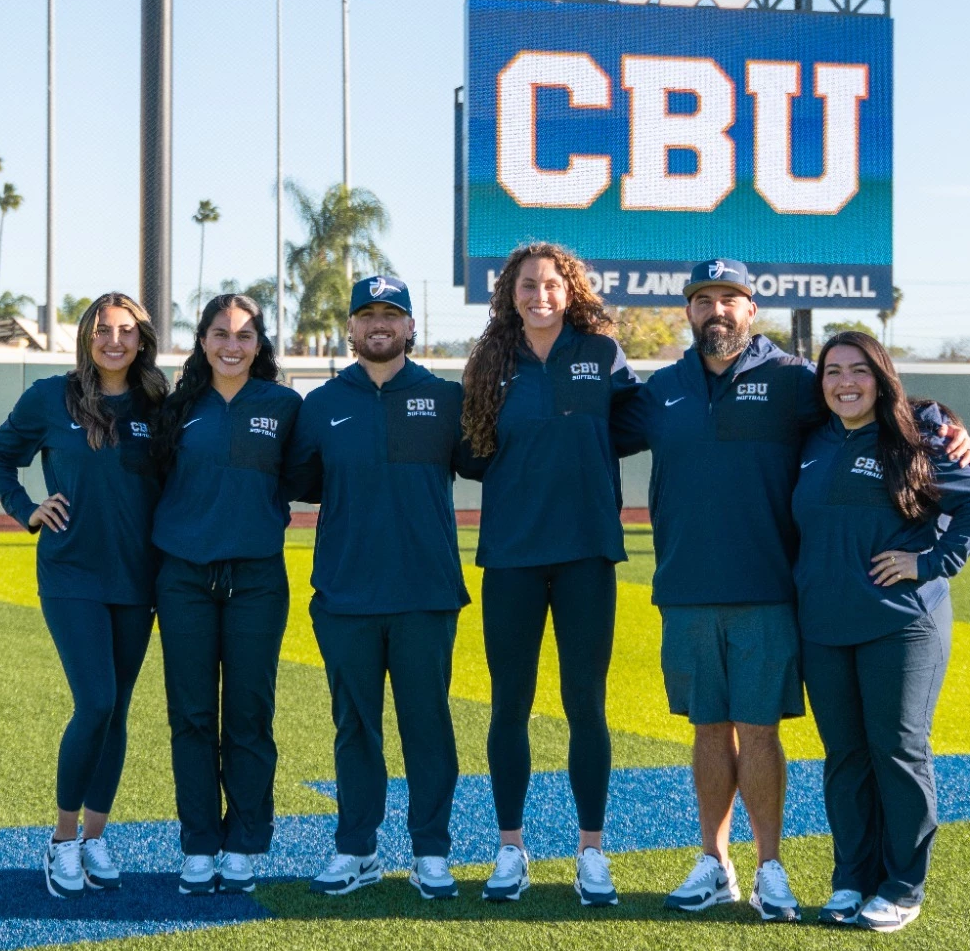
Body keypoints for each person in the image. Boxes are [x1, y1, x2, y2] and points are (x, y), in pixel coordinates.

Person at [629, 261, 970, 923]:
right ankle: (715, 863)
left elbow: (869, 397)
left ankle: (774, 868)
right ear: (689, 312)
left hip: (772, 589)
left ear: (751, 309)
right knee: (711, 731)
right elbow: (588, 431)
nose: (717, 311)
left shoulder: (793, 380)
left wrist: (938, 416)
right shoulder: (661, 389)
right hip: (686, 587)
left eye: (730, 299)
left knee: (765, 731)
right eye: (704, 300)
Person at [793, 331, 970, 933]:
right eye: (832, 372)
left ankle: (902, 887)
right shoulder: (809, 443)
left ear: (881, 379)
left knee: (899, 753)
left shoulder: (913, 441)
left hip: (902, 625)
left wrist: (930, 562)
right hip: (824, 627)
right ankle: (851, 880)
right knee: (845, 758)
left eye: (859, 371)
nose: (844, 383)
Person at [458, 241, 644, 907]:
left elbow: (641, 421)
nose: (540, 295)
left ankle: (591, 852)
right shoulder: (490, 363)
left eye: (552, 284)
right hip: (509, 555)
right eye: (528, 285)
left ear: (570, 291)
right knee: (509, 705)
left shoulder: (601, 356)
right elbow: (469, 451)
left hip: (587, 553)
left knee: (585, 706)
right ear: (511, 294)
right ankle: (511, 849)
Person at [0, 291, 168, 898]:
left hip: (137, 579)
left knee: (118, 711)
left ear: (142, 339)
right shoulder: (48, 398)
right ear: (87, 335)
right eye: (103, 330)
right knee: (95, 701)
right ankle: (61, 841)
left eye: (127, 331)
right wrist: (27, 509)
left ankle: (95, 836)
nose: (115, 341)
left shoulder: (157, 404)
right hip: (71, 575)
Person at [285, 275, 469, 901]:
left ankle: (431, 851)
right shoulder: (320, 403)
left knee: (428, 726)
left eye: (392, 313)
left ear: (412, 327)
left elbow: (489, 461)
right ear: (351, 328)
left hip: (426, 593)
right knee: (354, 728)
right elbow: (302, 482)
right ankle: (356, 848)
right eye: (367, 314)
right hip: (345, 597)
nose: (379, 324)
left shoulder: (448, 398)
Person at [150, 293, 301, 896]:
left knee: (248, 715)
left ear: (259, 343)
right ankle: (198, 845)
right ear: (202, 340)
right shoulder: (177, 407)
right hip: (183, 578)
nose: (231, 344)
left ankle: (242, 842)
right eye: (219, 333)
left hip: (257, 580)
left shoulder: (286, 407)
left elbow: (310, 476)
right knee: (190, 716)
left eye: (243, 334)